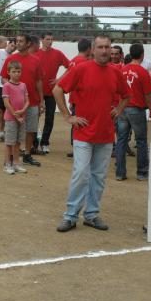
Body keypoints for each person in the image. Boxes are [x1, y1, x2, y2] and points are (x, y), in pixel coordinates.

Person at [53, 35, 131, 233]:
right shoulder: (81, 68)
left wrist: (120, 109)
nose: (105, 51)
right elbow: (58, 89)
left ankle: (91, 214)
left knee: (98, 176)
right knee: (80, 174)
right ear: (93, 49)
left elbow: (127, 95)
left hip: (105, 134)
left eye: (108, 47)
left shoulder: (115, 72)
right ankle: (71, 215)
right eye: (101, 47)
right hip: (83, 133)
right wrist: (68, 116)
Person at [0, 34, 44, 166]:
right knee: (14, 130)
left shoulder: (36, 60)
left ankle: (27, 154)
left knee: (30, 129)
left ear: (28, 43)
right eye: (17, 41)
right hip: (15, 103)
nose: (17, 43)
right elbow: (3, 77)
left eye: (21, 41)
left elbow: (38, 81)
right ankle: (12, 156)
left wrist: (41, 100)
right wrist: (10, 90)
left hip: (32, 101)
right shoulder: (11, 58)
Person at [116, 43, 151, 181]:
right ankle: (142, 172)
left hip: (122, 108)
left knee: (121, 140)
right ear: (142, 55)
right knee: (141, 141)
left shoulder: (122, 70)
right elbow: (147, 96)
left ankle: (120, 173)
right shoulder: (143, 72)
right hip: (136, 109)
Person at [34, 32, 70, 154]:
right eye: (48, 39)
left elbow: (70, 67)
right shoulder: (35, 53)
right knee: (35, 117)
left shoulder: (57, 53)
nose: (50, 41)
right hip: (36, 91)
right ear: (41, 40)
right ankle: (34, 143)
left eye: (51, 39)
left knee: (50, 118)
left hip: (51, 91)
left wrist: (59, 79)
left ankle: (44, 142)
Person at [64, 38, 92, 158]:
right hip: (81, 98)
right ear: (89, 49)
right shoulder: (84, 62)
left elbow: (69, 81)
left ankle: (75, 147)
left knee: (76, 121)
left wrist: (70, 99)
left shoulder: (73, 61)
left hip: (74, 97)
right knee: (82, 122)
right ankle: (79, 148)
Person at [2, 60, 29, 175]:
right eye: (14, 71)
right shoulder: (7, 85)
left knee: (18, 142)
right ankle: (7, 164)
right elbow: (6, 103)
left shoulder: (23, 85)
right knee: (9, 142)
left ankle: (16, 163)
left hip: (22, 118)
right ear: (9, 72)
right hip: (11, 118)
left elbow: (27, 101)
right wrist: (16, 115)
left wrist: (23, 110)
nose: (17, 73)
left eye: (18, 71)